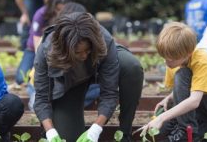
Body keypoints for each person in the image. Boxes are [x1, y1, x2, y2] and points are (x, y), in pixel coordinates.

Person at [33, 11, 144, 141]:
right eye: (78, 52)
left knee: (131, 66)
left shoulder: (104, 41)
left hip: (98, 66)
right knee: (68, 138)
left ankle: (125, 134)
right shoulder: (47, 52)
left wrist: (96, 129)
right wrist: (50, 131)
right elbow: (41, 98)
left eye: (87, 50)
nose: (84, 56)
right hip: (70, 84)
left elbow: (109, 93)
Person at [142, 22, 207, 141]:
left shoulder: (202, 62)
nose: (166, 62)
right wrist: (169, 97)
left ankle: (187, 132)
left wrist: (162, 117)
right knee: (161, 130)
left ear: (187, 54)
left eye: (170, 59)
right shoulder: (174, 62)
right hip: (205, 100)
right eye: (163, 57)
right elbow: (187, 88)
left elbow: (194, 101)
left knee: (182, 74)